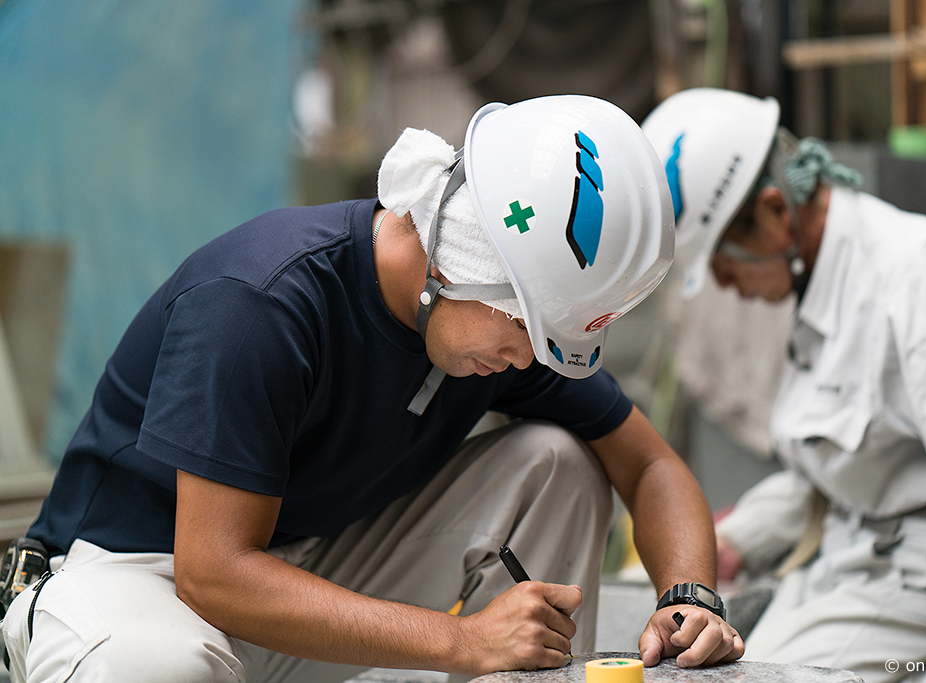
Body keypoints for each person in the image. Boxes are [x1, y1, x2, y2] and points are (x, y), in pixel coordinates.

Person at [0, 95, 744, 683]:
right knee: (156, 668)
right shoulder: (259, 302)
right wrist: (462, 640)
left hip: (295, 577)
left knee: (559, 459)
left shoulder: (488, 324)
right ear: (463, 266)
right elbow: (212, 571)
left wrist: (689, 596)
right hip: (136, 581)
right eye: (525, 332)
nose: (528, 360)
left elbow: (649, 465)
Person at [642, 87, 926, 683]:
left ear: (774, 211)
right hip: (857, 556)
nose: (726, 285)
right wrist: (736, 539)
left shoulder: (911, 278)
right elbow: (848, 471)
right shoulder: (828, 283)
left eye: (724, 263)